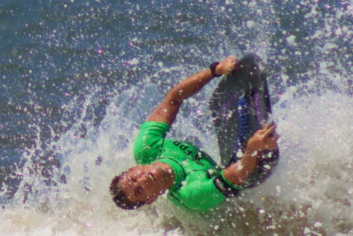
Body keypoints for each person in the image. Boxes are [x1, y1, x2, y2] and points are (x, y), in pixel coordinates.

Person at [109, 56, 279, 212]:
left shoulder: (147, 148)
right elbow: (238, 177)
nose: (142, 181)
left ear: (134, 168)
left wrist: (215, 70)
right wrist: (253, 149)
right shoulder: (191, 193)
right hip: (250, 173)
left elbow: (174, 99)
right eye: (140, 190)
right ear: (151, 199)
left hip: (231, 162)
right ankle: (262, 136)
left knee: (219, 101)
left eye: (133, 179)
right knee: (261, 145)